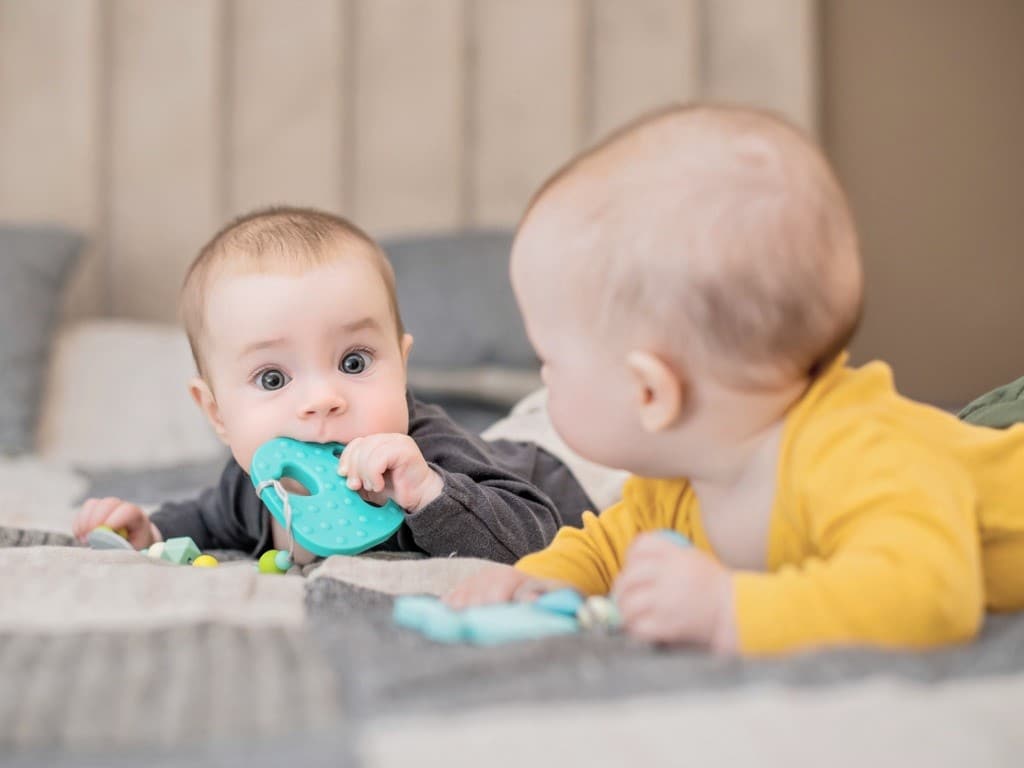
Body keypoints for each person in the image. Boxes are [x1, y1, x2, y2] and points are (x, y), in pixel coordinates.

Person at [444, 104, 1024, 655]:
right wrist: (534, 582)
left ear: (651, 393)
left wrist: (728, 609)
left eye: (550, 360)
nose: (543, 379)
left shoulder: (856, 453)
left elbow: (929, 596)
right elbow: (606, 547)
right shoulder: (678, 484)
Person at [72, 207, 593, 564]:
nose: (323, 399)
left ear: (402, 366)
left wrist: (431, 493)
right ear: (217, 414)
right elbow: (208, 518)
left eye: (353, 362)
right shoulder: (253, 483)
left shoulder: (429, 455)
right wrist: (151, 530)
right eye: (272, 378)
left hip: (570, 464)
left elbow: (534, 540)